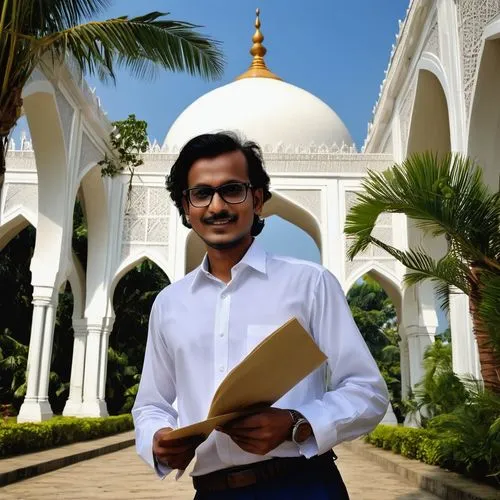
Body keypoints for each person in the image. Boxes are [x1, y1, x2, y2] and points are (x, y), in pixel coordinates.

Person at [132, 131, 389, 499]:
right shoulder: (170, 303)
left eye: (232, 190)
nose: (217, 206)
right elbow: (151, 404)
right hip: (212, 491)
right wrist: (157, 439)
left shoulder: (309, 284)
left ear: (258, 199)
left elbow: (367, 392)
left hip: (302, 484)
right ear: (186, 208)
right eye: (202, 193)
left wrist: (295, 424)